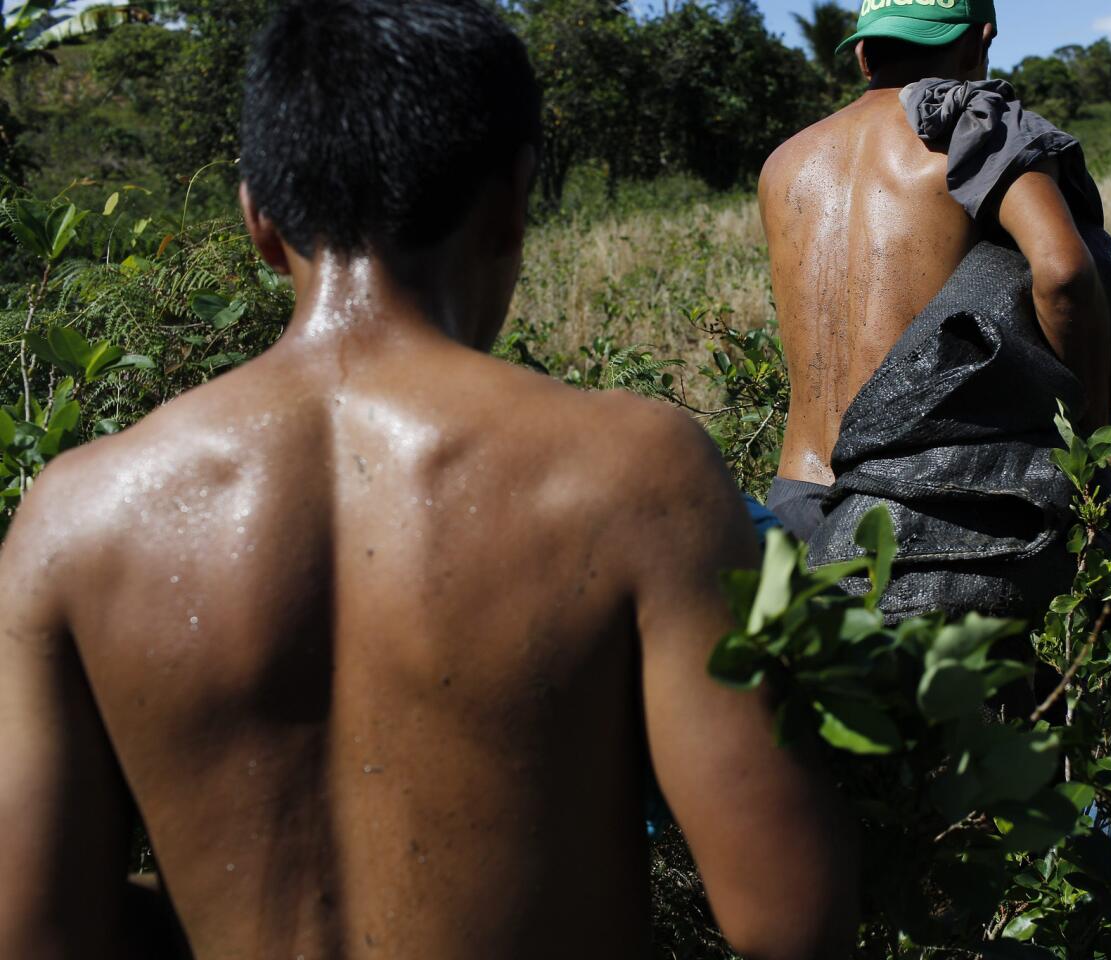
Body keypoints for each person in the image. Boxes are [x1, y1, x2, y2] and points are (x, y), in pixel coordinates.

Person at [0, 2, 857, 957]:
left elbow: (35, 930)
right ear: (514, 199)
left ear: (257, 218)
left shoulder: (71, 521)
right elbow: (791, 921)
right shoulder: (632, 478)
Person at [759, 0, 1111, 626]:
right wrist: (1089, 447)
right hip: (919, 506)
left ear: (862, 51)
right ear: (977, 43)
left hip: (795, 499)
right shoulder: (973, 130)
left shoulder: (783, 163)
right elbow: (1066, 276)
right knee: (1002, 714)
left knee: (835, 715)